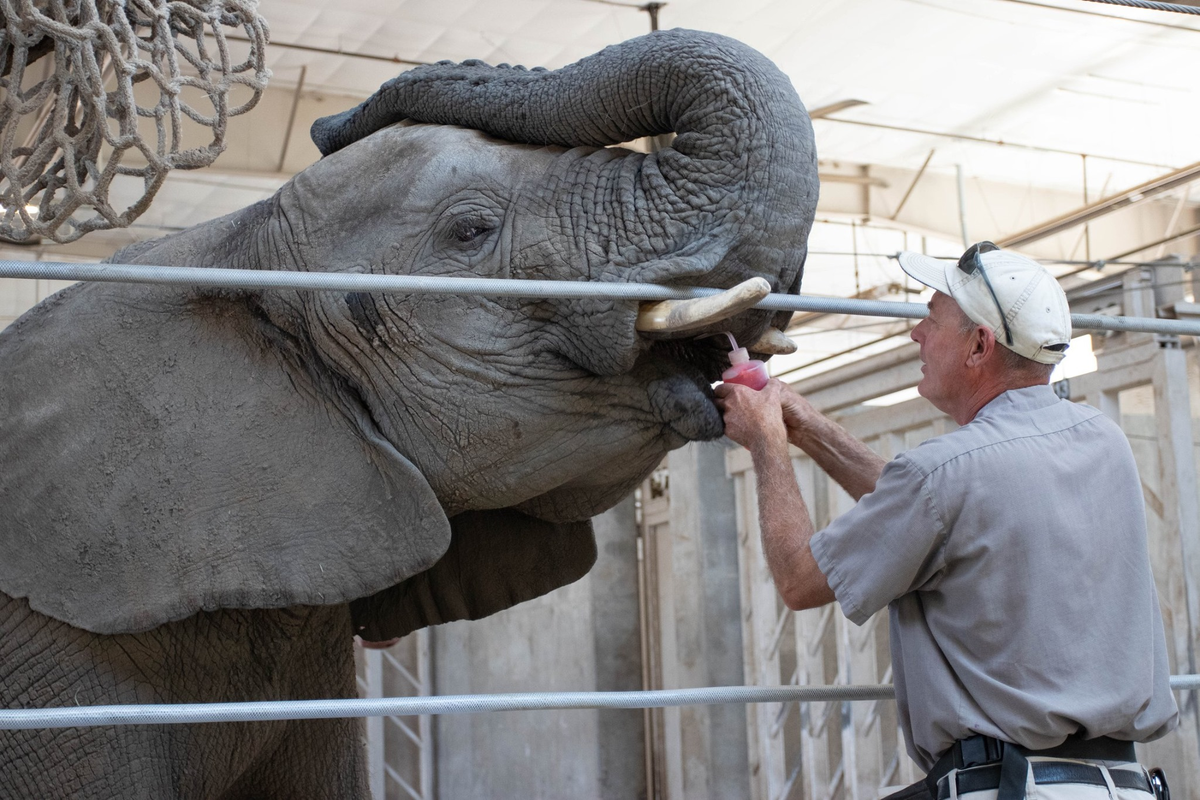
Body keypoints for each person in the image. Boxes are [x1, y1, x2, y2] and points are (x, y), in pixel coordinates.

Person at [716, 242, 1178, 800]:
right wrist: (808, 426)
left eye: (931, 319)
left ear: (979, 344)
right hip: (1121, 786)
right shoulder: (1104, 440)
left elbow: (798, 577)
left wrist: (767, 445)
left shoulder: (940, 475)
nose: (915, 334)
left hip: (1004, 788)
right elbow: (937, 510)